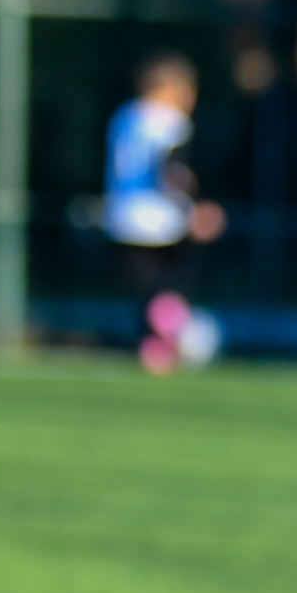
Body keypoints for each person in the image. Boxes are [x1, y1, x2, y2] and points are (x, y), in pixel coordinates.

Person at [104, 52, 227, 372]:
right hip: (161, 221)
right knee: (174, 286)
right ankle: (172, 331)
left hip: (123, 218)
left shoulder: (125, 116)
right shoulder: (171, 122)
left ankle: (154, 348)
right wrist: (194, 209)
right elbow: (172, 173)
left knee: (148, 290)